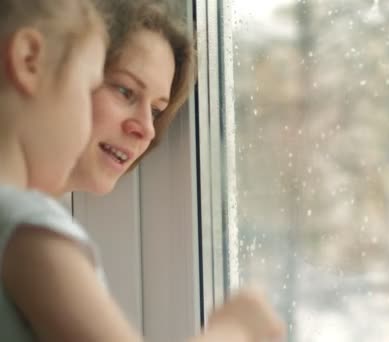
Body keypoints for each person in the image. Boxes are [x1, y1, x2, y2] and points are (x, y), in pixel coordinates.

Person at [63, 0, 286, 340]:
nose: (147, 129)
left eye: (155, 111)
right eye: (125, 91)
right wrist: (234, 329)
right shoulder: (30, 228)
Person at [0, 0, 107, 340]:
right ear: (30, 59)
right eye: (90, 91)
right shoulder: (26, 228)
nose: (92, 123)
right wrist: (234, 327)